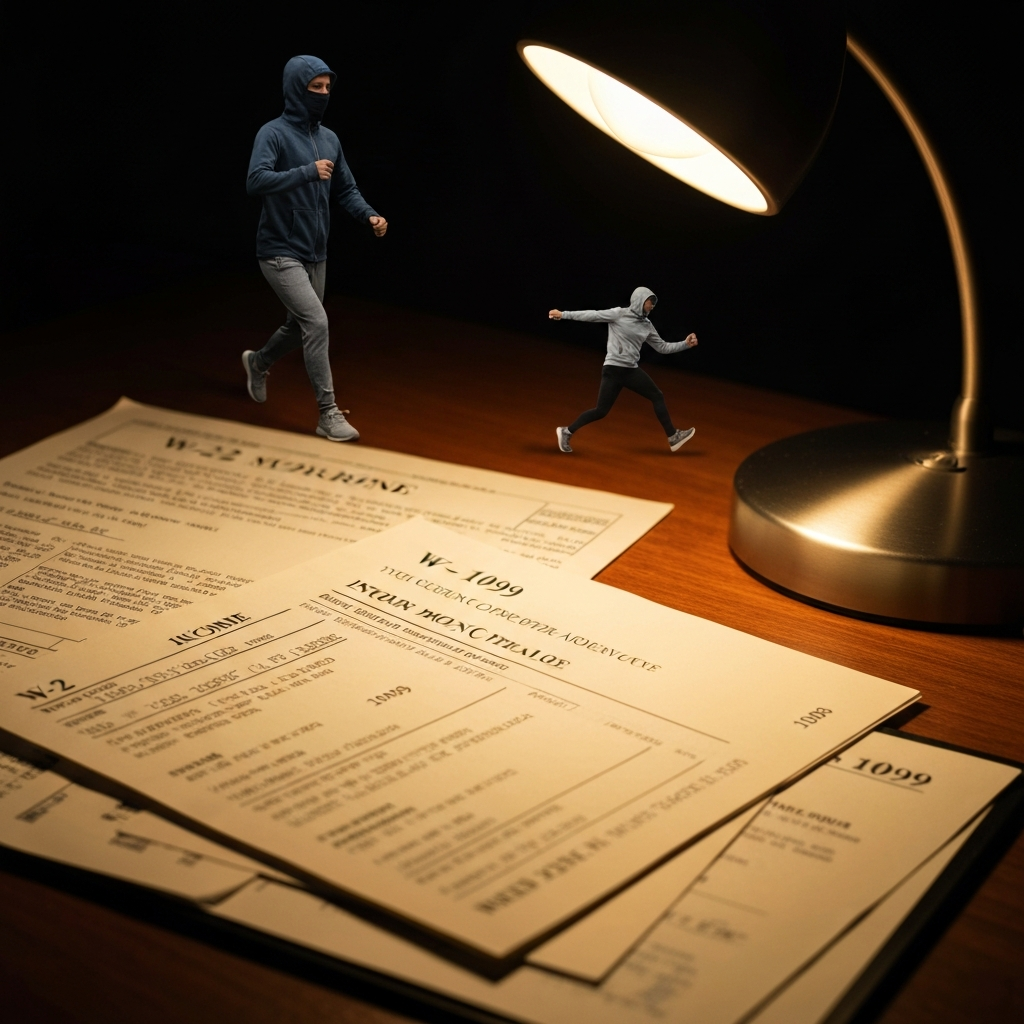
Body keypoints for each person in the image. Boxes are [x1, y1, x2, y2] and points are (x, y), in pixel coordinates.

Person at [242, 55, 387, 442]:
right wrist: (306, 171)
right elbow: (255, 180)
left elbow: (346, 189)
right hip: (278, 249)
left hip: (315, 251)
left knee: (299, 326)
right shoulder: (273, 133)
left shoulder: (329, 139)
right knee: (317, 323)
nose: (323, 94)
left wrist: (369, 215)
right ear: (296, 89)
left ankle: (258, 362)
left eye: (327, 88)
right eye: (315, 87)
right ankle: (328, 414)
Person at [550, 287, 698, 453]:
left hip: (628, 370)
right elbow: (592, 315)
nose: (652, 306)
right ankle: (673, 436)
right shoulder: (619, 313)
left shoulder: (647, 325)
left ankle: (566, 432)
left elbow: (662, 347)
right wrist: (563, 314)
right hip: (614, 369)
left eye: (654, 303)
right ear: (640, 300)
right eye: (650, 302)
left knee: (603, 410)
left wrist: (685, 344)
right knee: (652, 396)